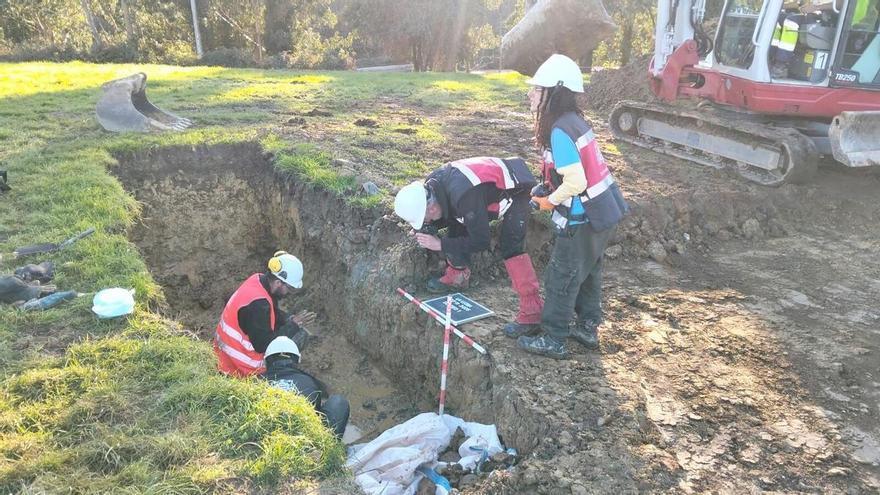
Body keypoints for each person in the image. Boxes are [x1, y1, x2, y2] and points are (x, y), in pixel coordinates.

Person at [515, 54, 628, 359]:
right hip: (603, 212)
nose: (530, 94)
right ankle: (587, 328)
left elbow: (576, 182)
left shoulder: (559, 131)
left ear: (554, 93)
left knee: (561, 276)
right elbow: (571, 173)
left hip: (582, 218)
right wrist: (547, 188)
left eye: (537, 89)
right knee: (588, 273)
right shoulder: (573, 123)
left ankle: (554, 337)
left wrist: (549, 201)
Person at [394, 156, 544, 335]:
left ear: (431, 208)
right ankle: (457, 275)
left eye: (425, 219)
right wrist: (427, 227)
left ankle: (532, 310)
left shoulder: (464, 197)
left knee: (511, 246)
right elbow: (446, 213)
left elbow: (481, 240)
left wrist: (440, 244)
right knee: (456, 218)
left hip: (518, 188)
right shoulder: (433, 185)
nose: (427, 222)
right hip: (480, 190)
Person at [214, 251, 317, 377]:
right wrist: (293, 325)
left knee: (296, 331)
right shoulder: (258, 305)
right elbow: (263, 345)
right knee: (298, 337)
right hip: (239, 366)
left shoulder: (257, 280)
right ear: (278, 283)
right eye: (289, 288)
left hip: (223, 354)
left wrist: (289, 320)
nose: (289, 292)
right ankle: (276, 377)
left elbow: (270, 313)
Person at [262, 336, 350, 439]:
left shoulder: (253, 382)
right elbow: (316, 413)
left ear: (266, 362)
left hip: (262, 437)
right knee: (338, 402)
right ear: (297, 360)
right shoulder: (309, 382)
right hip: (303, 440)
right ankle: (327, 444)